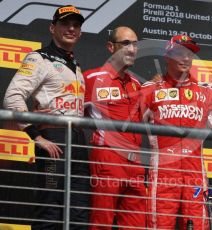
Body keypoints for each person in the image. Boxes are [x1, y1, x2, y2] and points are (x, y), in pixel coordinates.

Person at [3, 5, 89, 229]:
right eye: (65, 24)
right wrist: (36, 136)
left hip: (79, 142)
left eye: (76, 25)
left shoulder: (77, 66)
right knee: (50, 209)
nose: (71, 29)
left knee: (79, 213)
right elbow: (13, 96)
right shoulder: (39, 58)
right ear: (52, 28)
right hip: (54, 141)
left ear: (80, 32)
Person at [141, 34, 212, 229]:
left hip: (194, 171)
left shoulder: (207, 91)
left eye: (190, 53)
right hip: (163, 172)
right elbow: (130, 124)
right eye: (180, 53)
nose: (186, 58)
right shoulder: (150, 89)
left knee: (197, 224)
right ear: (167, 56)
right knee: (159, 224)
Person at [83, 26, 146, 229]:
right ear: (111, 47)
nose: (132, 49)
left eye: (135, 44)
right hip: (107, 157)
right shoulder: (91, 79)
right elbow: (69, 114)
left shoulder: (137, 84)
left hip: (135, 160)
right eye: (126, 43)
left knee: (135, 224)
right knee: (102, 221)